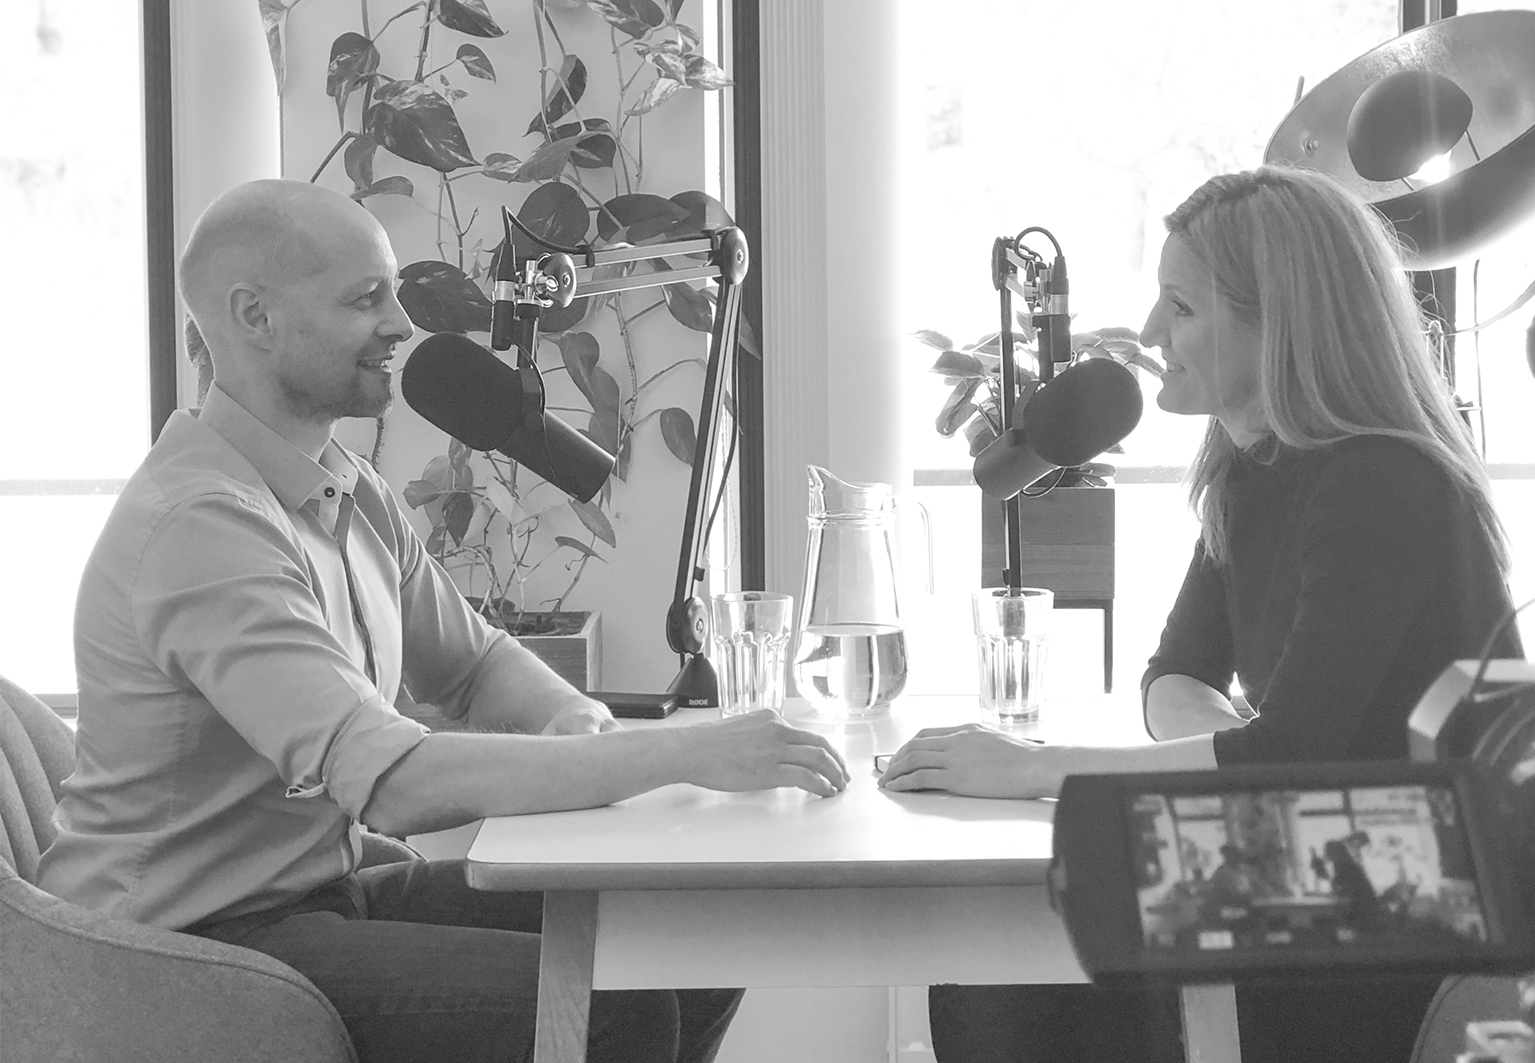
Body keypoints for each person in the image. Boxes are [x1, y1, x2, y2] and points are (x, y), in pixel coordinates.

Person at [36, 178, 850, 1063]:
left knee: (688, 939)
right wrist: (679, 753)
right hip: (178, 954)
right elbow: (393, 783)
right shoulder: (202, 525)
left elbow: (473, 664)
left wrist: (572, 718)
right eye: (364, 298)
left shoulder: (343, 487)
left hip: (315, 896)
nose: (400, 323)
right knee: (615, 1011)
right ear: (255, 316)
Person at [883, 166, 1522, 1063]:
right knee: (997, 967)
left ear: (1278, 323)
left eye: (1179, 307)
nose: (1150, 333)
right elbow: (1174, 677)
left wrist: (1031, 767)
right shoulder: (1250, 469)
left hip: (1421, 921)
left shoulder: (1384, 482)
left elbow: (1285, 757)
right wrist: (1235, 759)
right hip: (1325, 868)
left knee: (1019, 978)